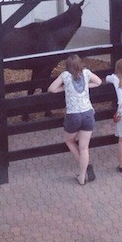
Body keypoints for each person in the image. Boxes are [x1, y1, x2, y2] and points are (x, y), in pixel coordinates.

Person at [48, 54, 103, 185]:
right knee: (84, 148)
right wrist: (86, 86)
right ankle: (83, 175)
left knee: (69, 140)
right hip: (88, 113)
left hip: (73, 115)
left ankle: (85, 167)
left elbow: (51, 89)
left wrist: (64, 88)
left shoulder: (65, 76)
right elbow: (99, 82)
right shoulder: (86, 73)